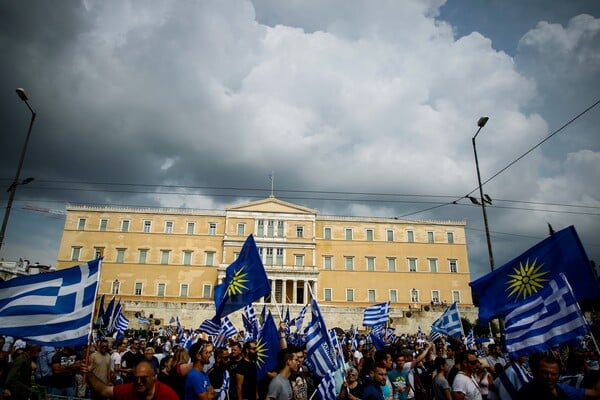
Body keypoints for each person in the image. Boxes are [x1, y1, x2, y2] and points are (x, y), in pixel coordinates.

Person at [85, 359, 179, 399]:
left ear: (154, 377)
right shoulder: (130, 389)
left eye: (143, 379)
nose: (139, 382)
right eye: (136, 378)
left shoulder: (168, 395)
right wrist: (88, 373)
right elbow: (104, 391)